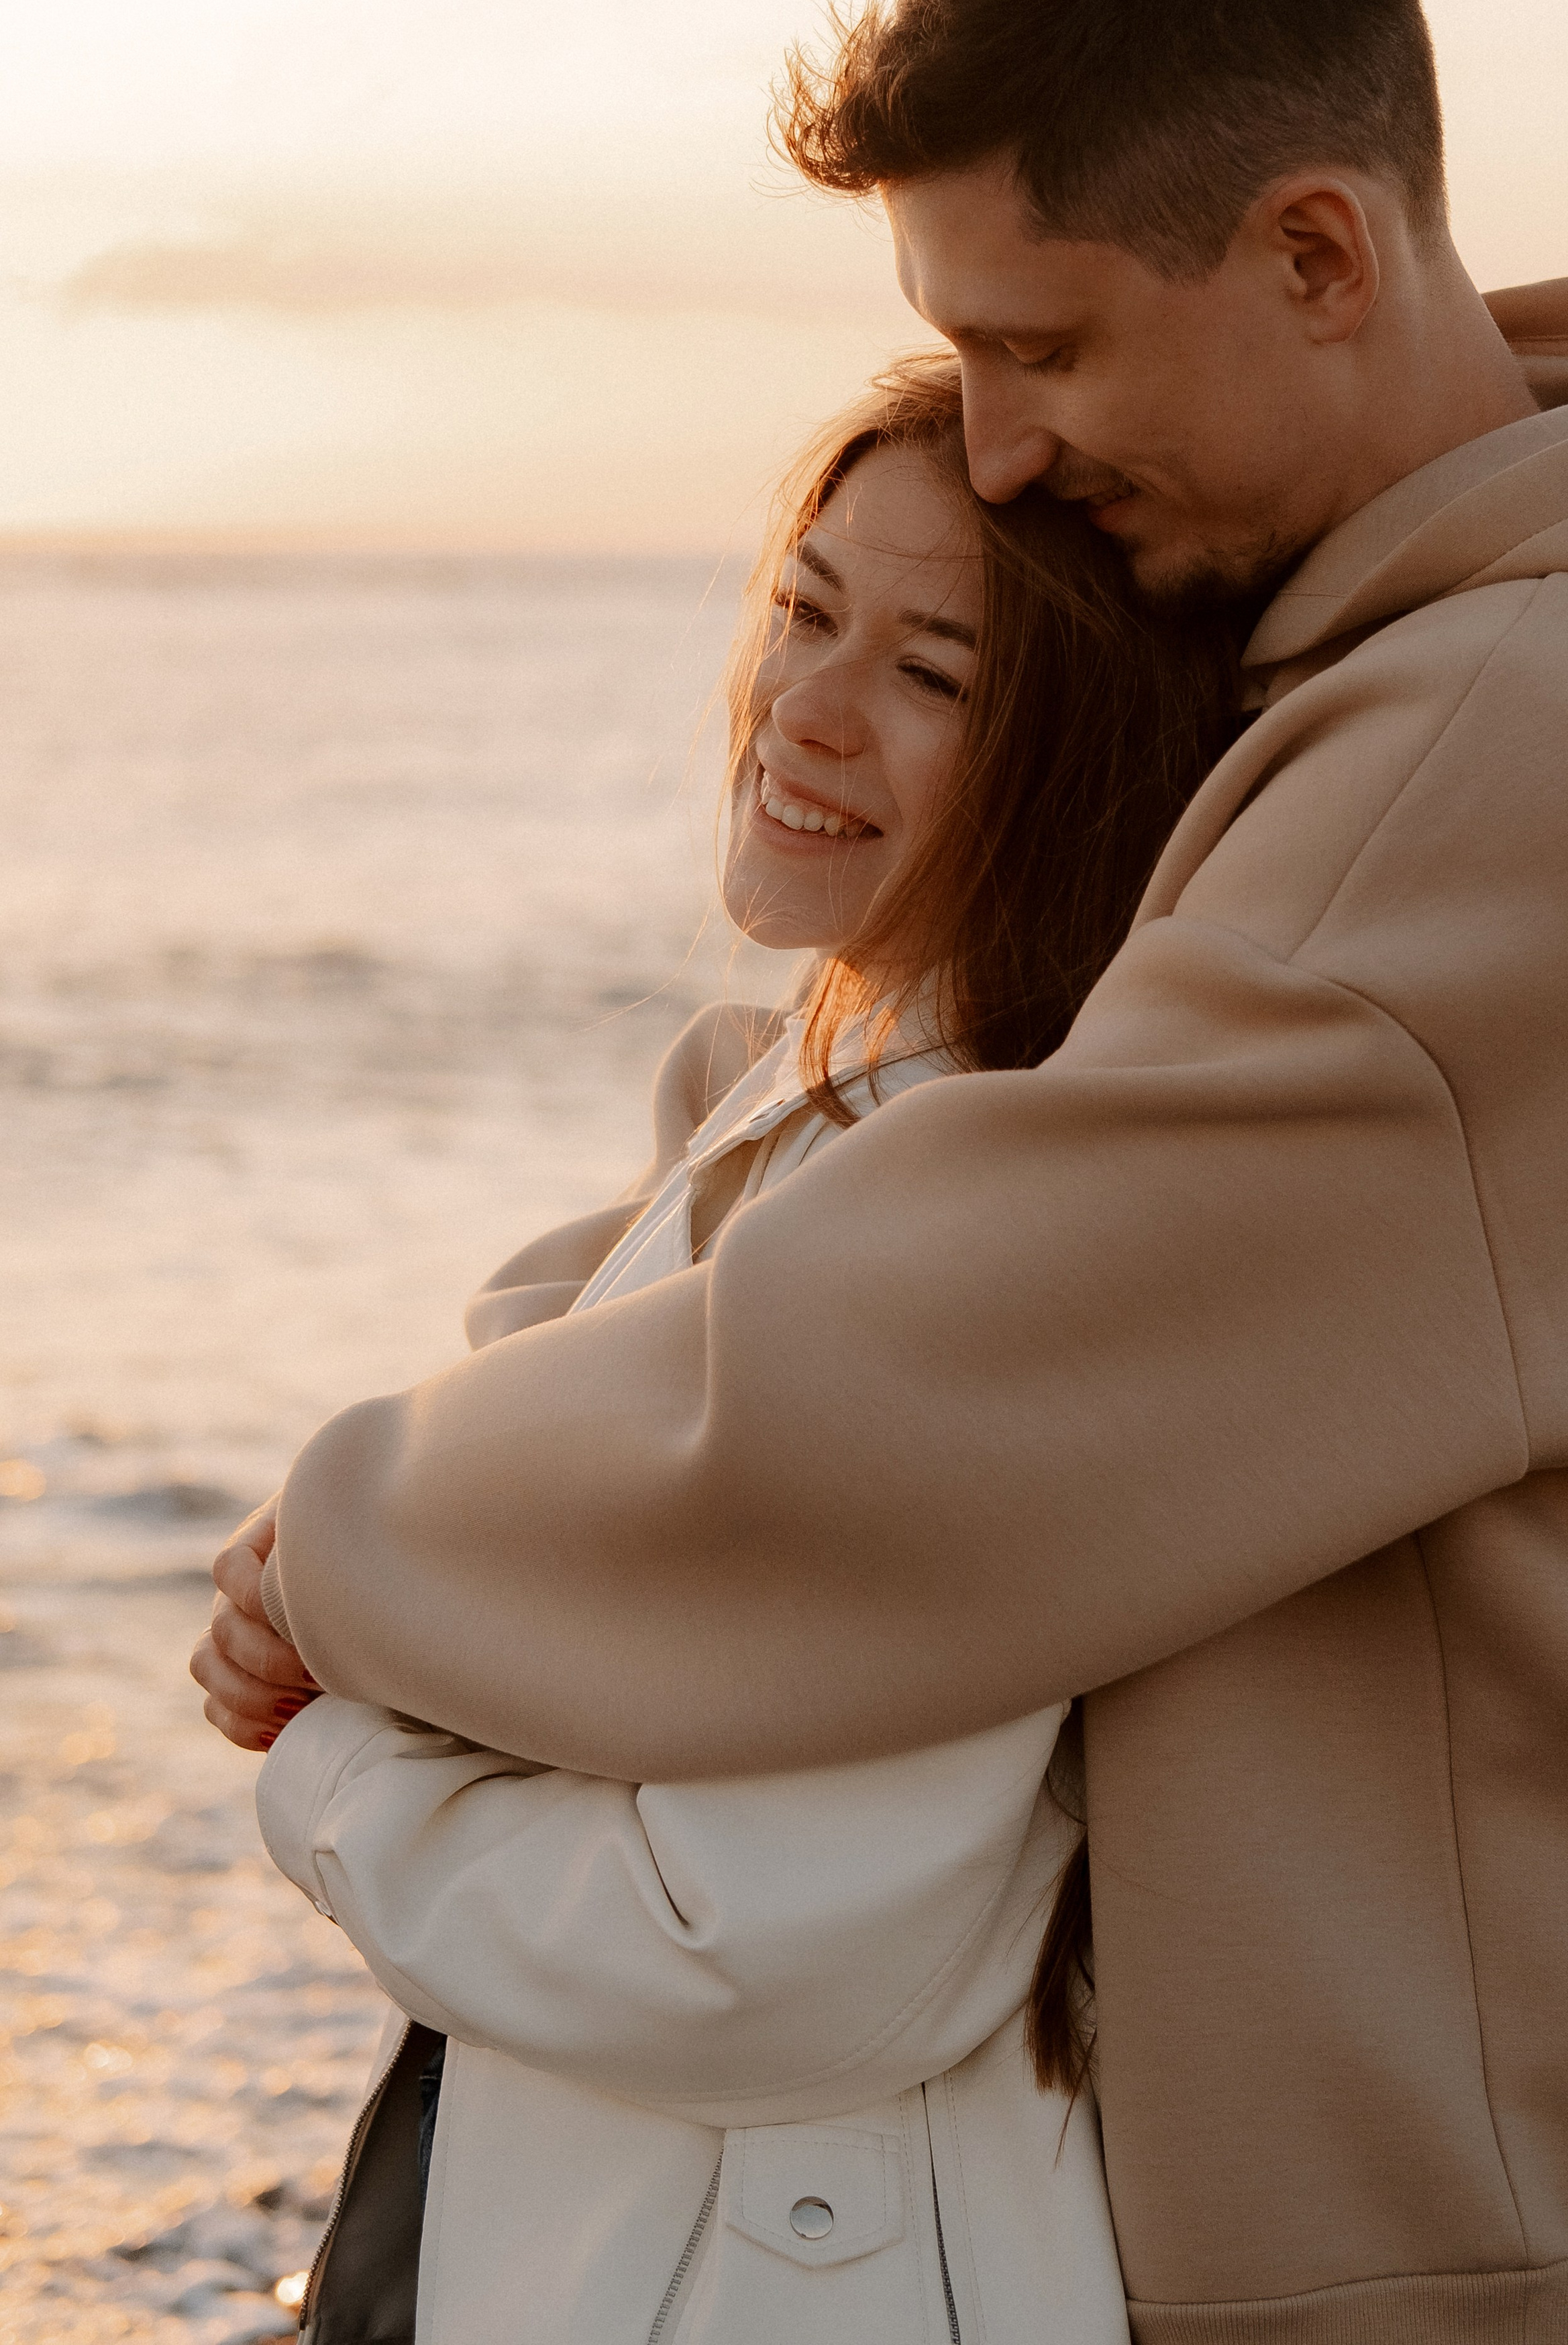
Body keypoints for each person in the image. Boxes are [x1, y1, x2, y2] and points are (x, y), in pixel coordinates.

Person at [198, 0, 1568, 2342]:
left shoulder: (1492, 756)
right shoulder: (1474, 660)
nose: (1002, 448)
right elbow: (984, 1114)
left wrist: (339, 1546)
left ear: (1319, 250)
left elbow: (900, 1397)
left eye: (1045, 344)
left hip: (1475, 2240)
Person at [224, 353, 1234, 2344]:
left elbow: (762, 1945)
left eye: (934, 673)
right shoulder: (796, 1106)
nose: (811, 705)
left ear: (1079, 754)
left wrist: (333, 1758)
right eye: (805, 606)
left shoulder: (982, 1214)